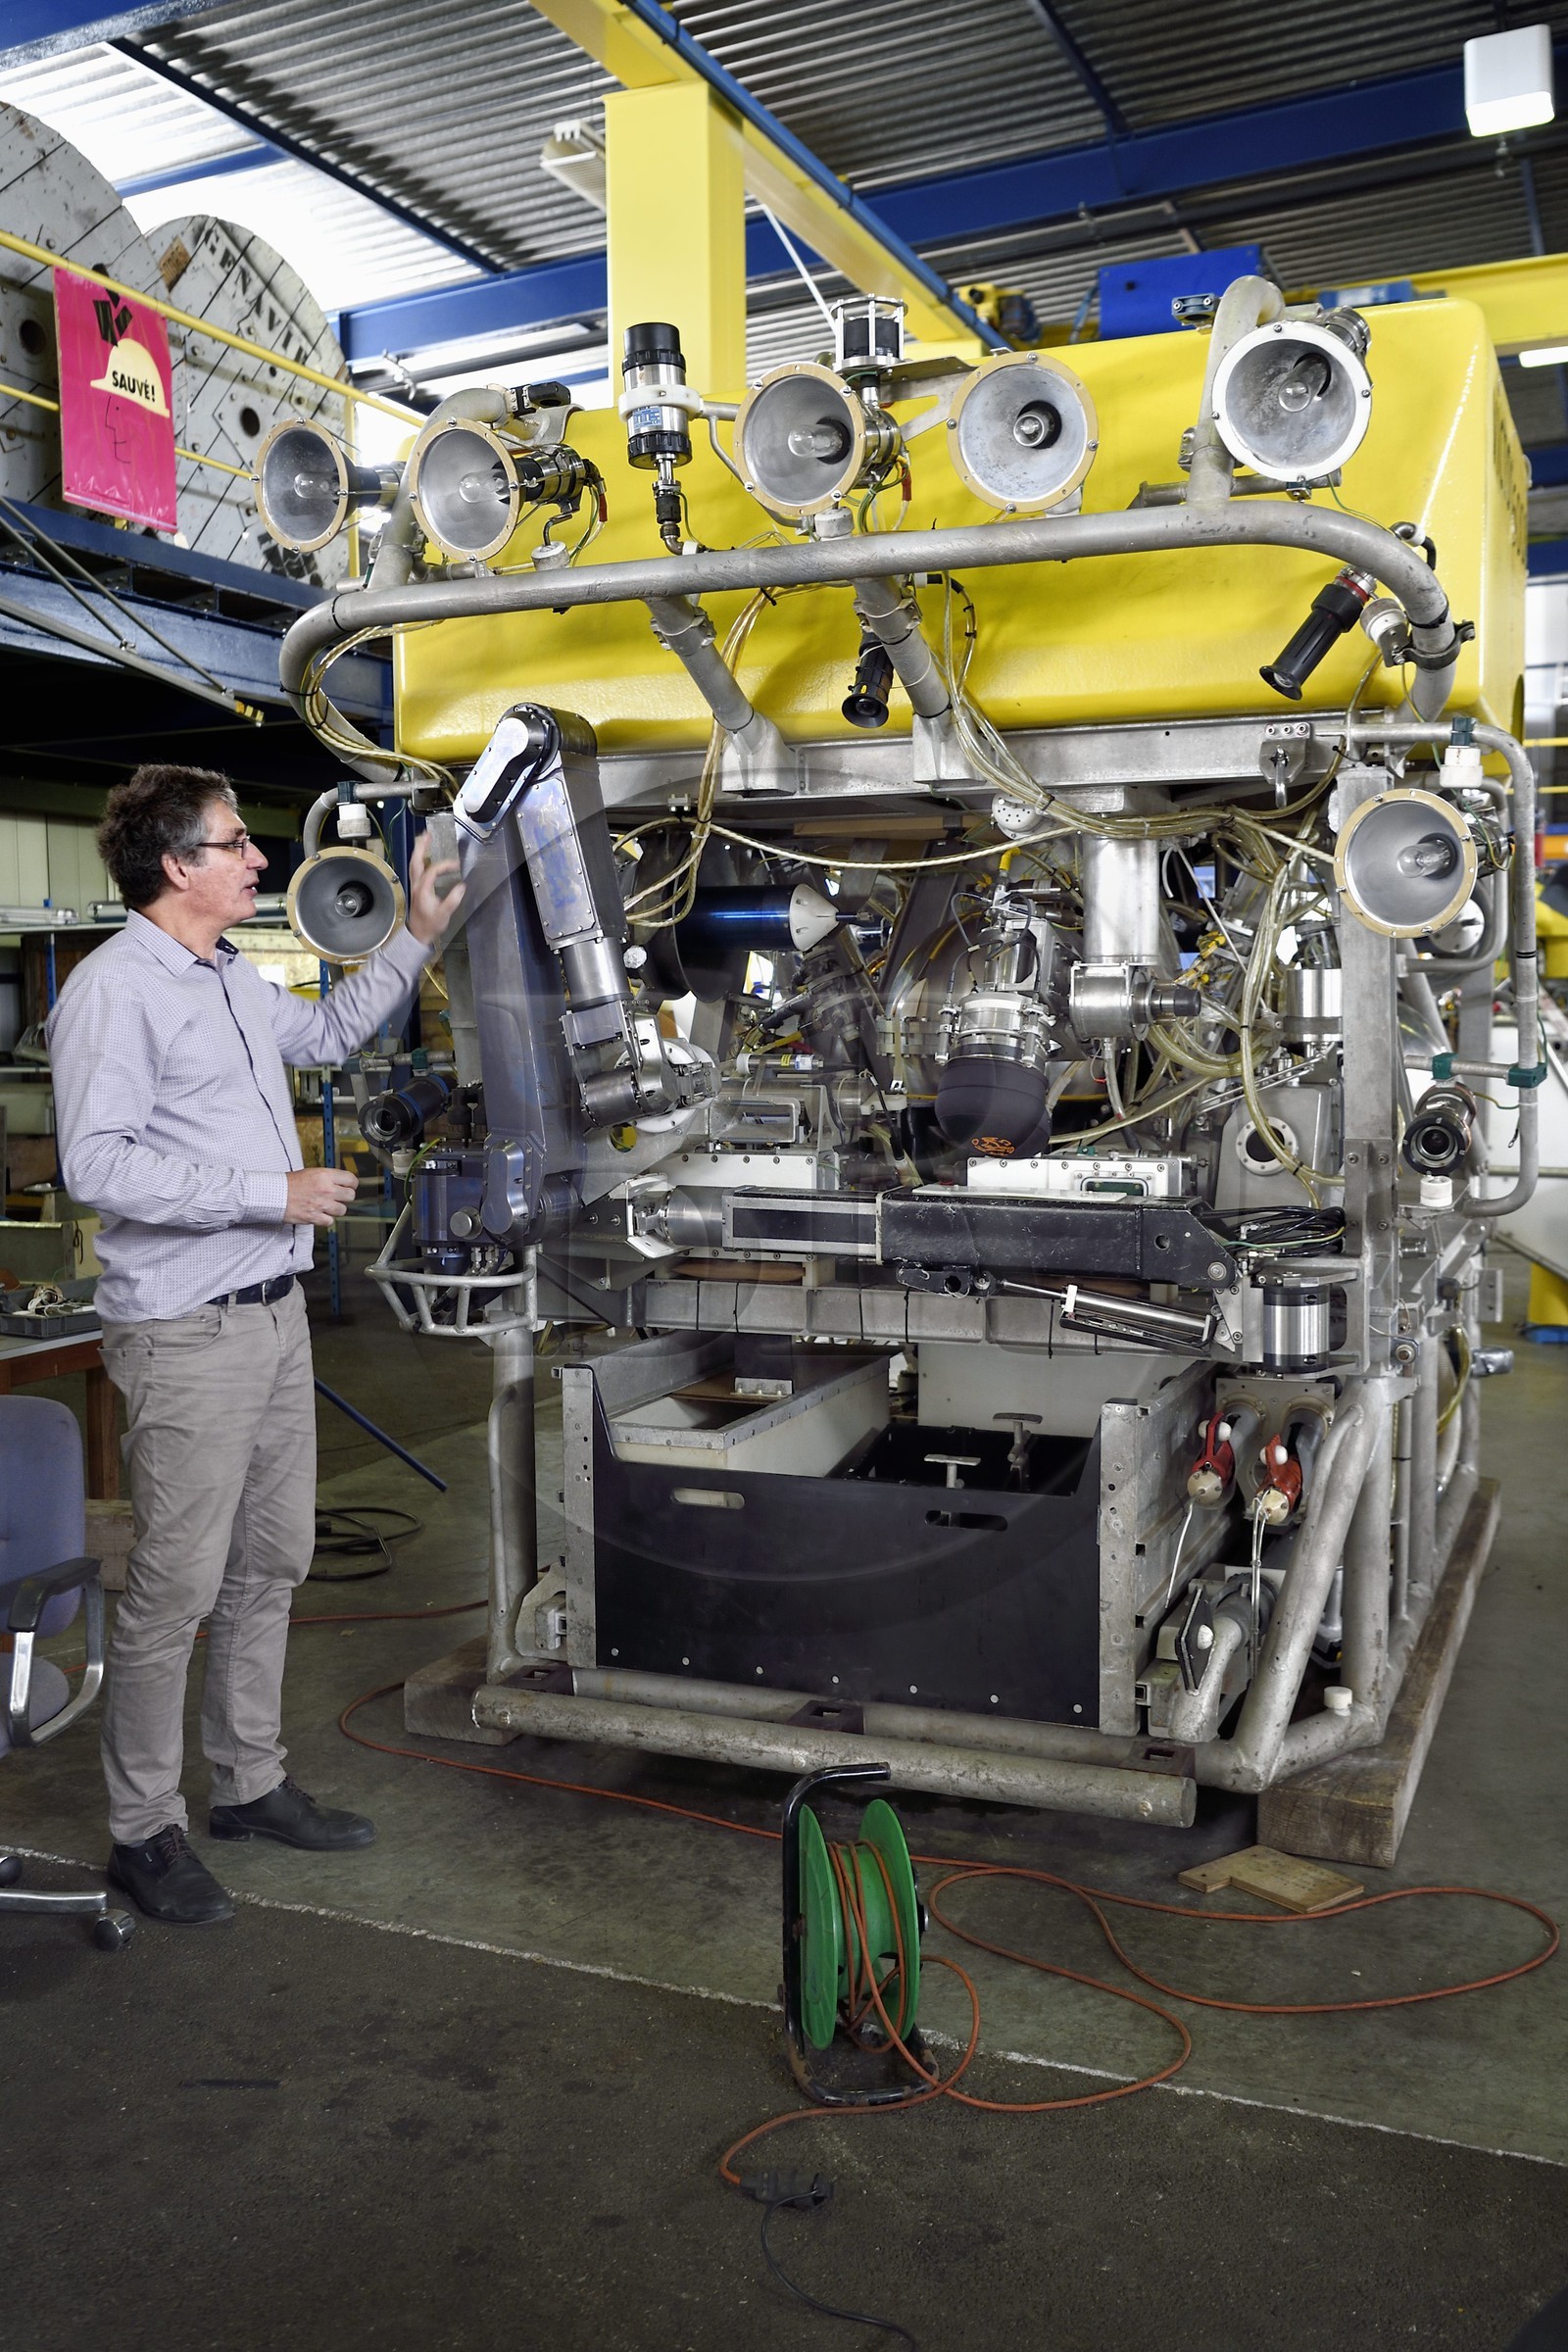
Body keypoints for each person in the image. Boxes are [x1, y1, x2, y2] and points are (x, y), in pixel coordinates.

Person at [47, 763, 464, 1925]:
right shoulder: (113, 992)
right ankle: (143, 1830)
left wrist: (419, 936)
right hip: (184, 1330)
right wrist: (263, 1191)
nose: (259, 861)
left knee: (270, 1564)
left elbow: (329, 1030)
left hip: (271, 1321)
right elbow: (99, 1165)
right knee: (173, 1591)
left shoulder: (229, 976)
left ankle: (251, 1783)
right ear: (178, 866)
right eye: (235, 845)